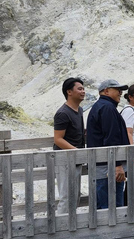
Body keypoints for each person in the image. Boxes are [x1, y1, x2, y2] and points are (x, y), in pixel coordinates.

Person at [87, 79, 130, 209]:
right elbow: (111, 138)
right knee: (111, 209)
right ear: (106, 91)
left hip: (103, 166)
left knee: (105, 207)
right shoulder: (107, 108)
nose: (121, 93)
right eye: (117, 90)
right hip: (108, 168)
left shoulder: (102, 106)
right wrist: (116, 165)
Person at [53, 77, 86, 214]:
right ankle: (61, 230)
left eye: (83, 88)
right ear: (69, 92)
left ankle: (71, 228)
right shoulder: (63, 113)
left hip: (75, 158)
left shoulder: (80, 110)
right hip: (64, 159)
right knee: (66, 197)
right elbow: (58, 139)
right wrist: (77, 151)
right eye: (80, 88)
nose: (83, 91)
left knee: (75, 196)